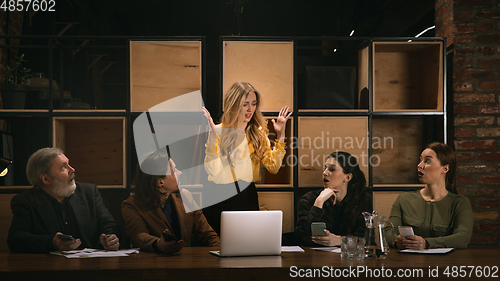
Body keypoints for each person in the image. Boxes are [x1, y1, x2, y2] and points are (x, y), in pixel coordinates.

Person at [202, 81, 292, 234]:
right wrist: (212, 137)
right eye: (245, 104)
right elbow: (213, 171)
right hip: (218, 196)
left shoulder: (257, 132)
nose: (250, 109)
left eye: (254, 103)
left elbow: (273, 167)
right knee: (218, 248)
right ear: (234, 105)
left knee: (248, 245)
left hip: (246, 195)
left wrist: (280, 135)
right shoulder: (217, 131)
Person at [8, 147, 120, 253]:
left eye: (69, 164)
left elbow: (109, 225)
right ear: (46, 179)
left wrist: (110, 239)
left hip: (90, 264)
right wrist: (52, 242)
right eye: (63, 167)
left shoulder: (89, 192)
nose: (72, 170)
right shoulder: (25, 201)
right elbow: (16, 239)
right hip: (49, 267)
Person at [121, 149, 219, 254]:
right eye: (174, 171)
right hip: (153, 265)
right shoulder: (132, 205)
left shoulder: (185, 197)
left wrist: (222, 252)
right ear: (160, 182)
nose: (180, 172)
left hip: (186, 263)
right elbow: (139, 236)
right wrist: (158, 243)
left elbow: (207, 234)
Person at [389, 142, 473, 250]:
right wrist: (397, 240)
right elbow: (388, 231)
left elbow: (462, 238)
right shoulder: (404, 199)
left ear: (445, 169)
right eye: (420, 160)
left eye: (427, 161)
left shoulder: (460, 203)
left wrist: (427, 243)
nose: (419, 165)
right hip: (410, 264)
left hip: (446, 264)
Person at [295, 151, 372, 247]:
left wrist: (339, 240)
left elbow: (366, 238)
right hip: (314, 258)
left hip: (349, 259)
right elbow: (302, 238)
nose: (325, 173)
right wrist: (319, 203)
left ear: (348, 177)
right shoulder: (310, 199)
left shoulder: (362, 200)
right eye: (325, 168)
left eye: (332, 169)